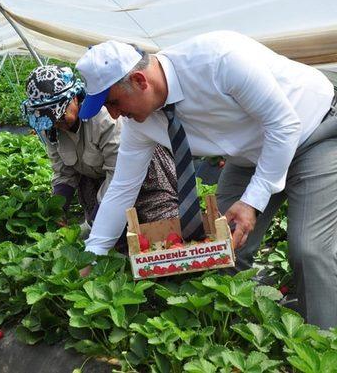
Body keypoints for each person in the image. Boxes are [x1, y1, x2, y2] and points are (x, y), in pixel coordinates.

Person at [75, 31, 337, 329]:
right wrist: (92, 255)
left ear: (139, 81)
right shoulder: (141, 124)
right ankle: (234, 334)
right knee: (221, 246)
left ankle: (324, 346)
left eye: (113, 102)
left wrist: (252, 201)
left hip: (312, 132)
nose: (114, 114)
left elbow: (284, 125)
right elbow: (122, 189)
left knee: (310, 249)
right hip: (250, 154)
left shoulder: (219, 59)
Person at [21, 65, 178, 239]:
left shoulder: (104, 117)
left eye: (58, 114)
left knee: (161, 231)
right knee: (114, 242)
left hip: (141, 176)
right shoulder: (49, 127)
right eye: (48, 118)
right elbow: (63, 172)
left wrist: (97, 222)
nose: (55, 122)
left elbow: (118, 175)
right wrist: (57, 210)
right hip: (97, 180)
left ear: (73, 98)